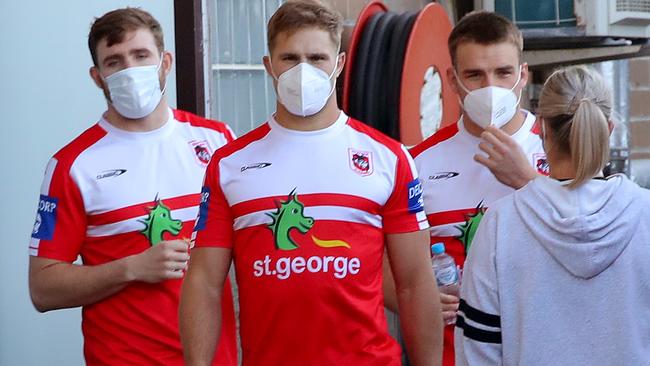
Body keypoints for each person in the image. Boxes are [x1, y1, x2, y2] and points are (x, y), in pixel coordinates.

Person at [179, 1, 443, 365]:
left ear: (339, 64)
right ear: (269, 66)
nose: (303, 71)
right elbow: (204, 283)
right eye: (290, 58)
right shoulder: (229, 164)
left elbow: (415, 283)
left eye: (317, 58)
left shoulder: (389, 158)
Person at [28, 8, 237, 365]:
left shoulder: (218, 141)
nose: (129, 70)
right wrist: (132, 268)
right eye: (114, 62)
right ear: (98, 77)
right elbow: (43, 289)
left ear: (165, 62)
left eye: (141, 56)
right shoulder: (72, 165)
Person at [455, 65, 650, 365]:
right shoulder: (645, 213)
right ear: (608, 128)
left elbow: (477, 351)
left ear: (542, 127)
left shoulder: (500, 224)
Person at [401, 10, 548, 365]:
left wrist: (528, 182)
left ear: (523, 75)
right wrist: (419, 299)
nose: (491, 88)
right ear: (452, 80)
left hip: (545, 346)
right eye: (475, 75)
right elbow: (391, 268)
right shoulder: (416, 161)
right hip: (455, 354)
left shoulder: (559, 145)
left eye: (503, 73)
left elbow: (594, 244)